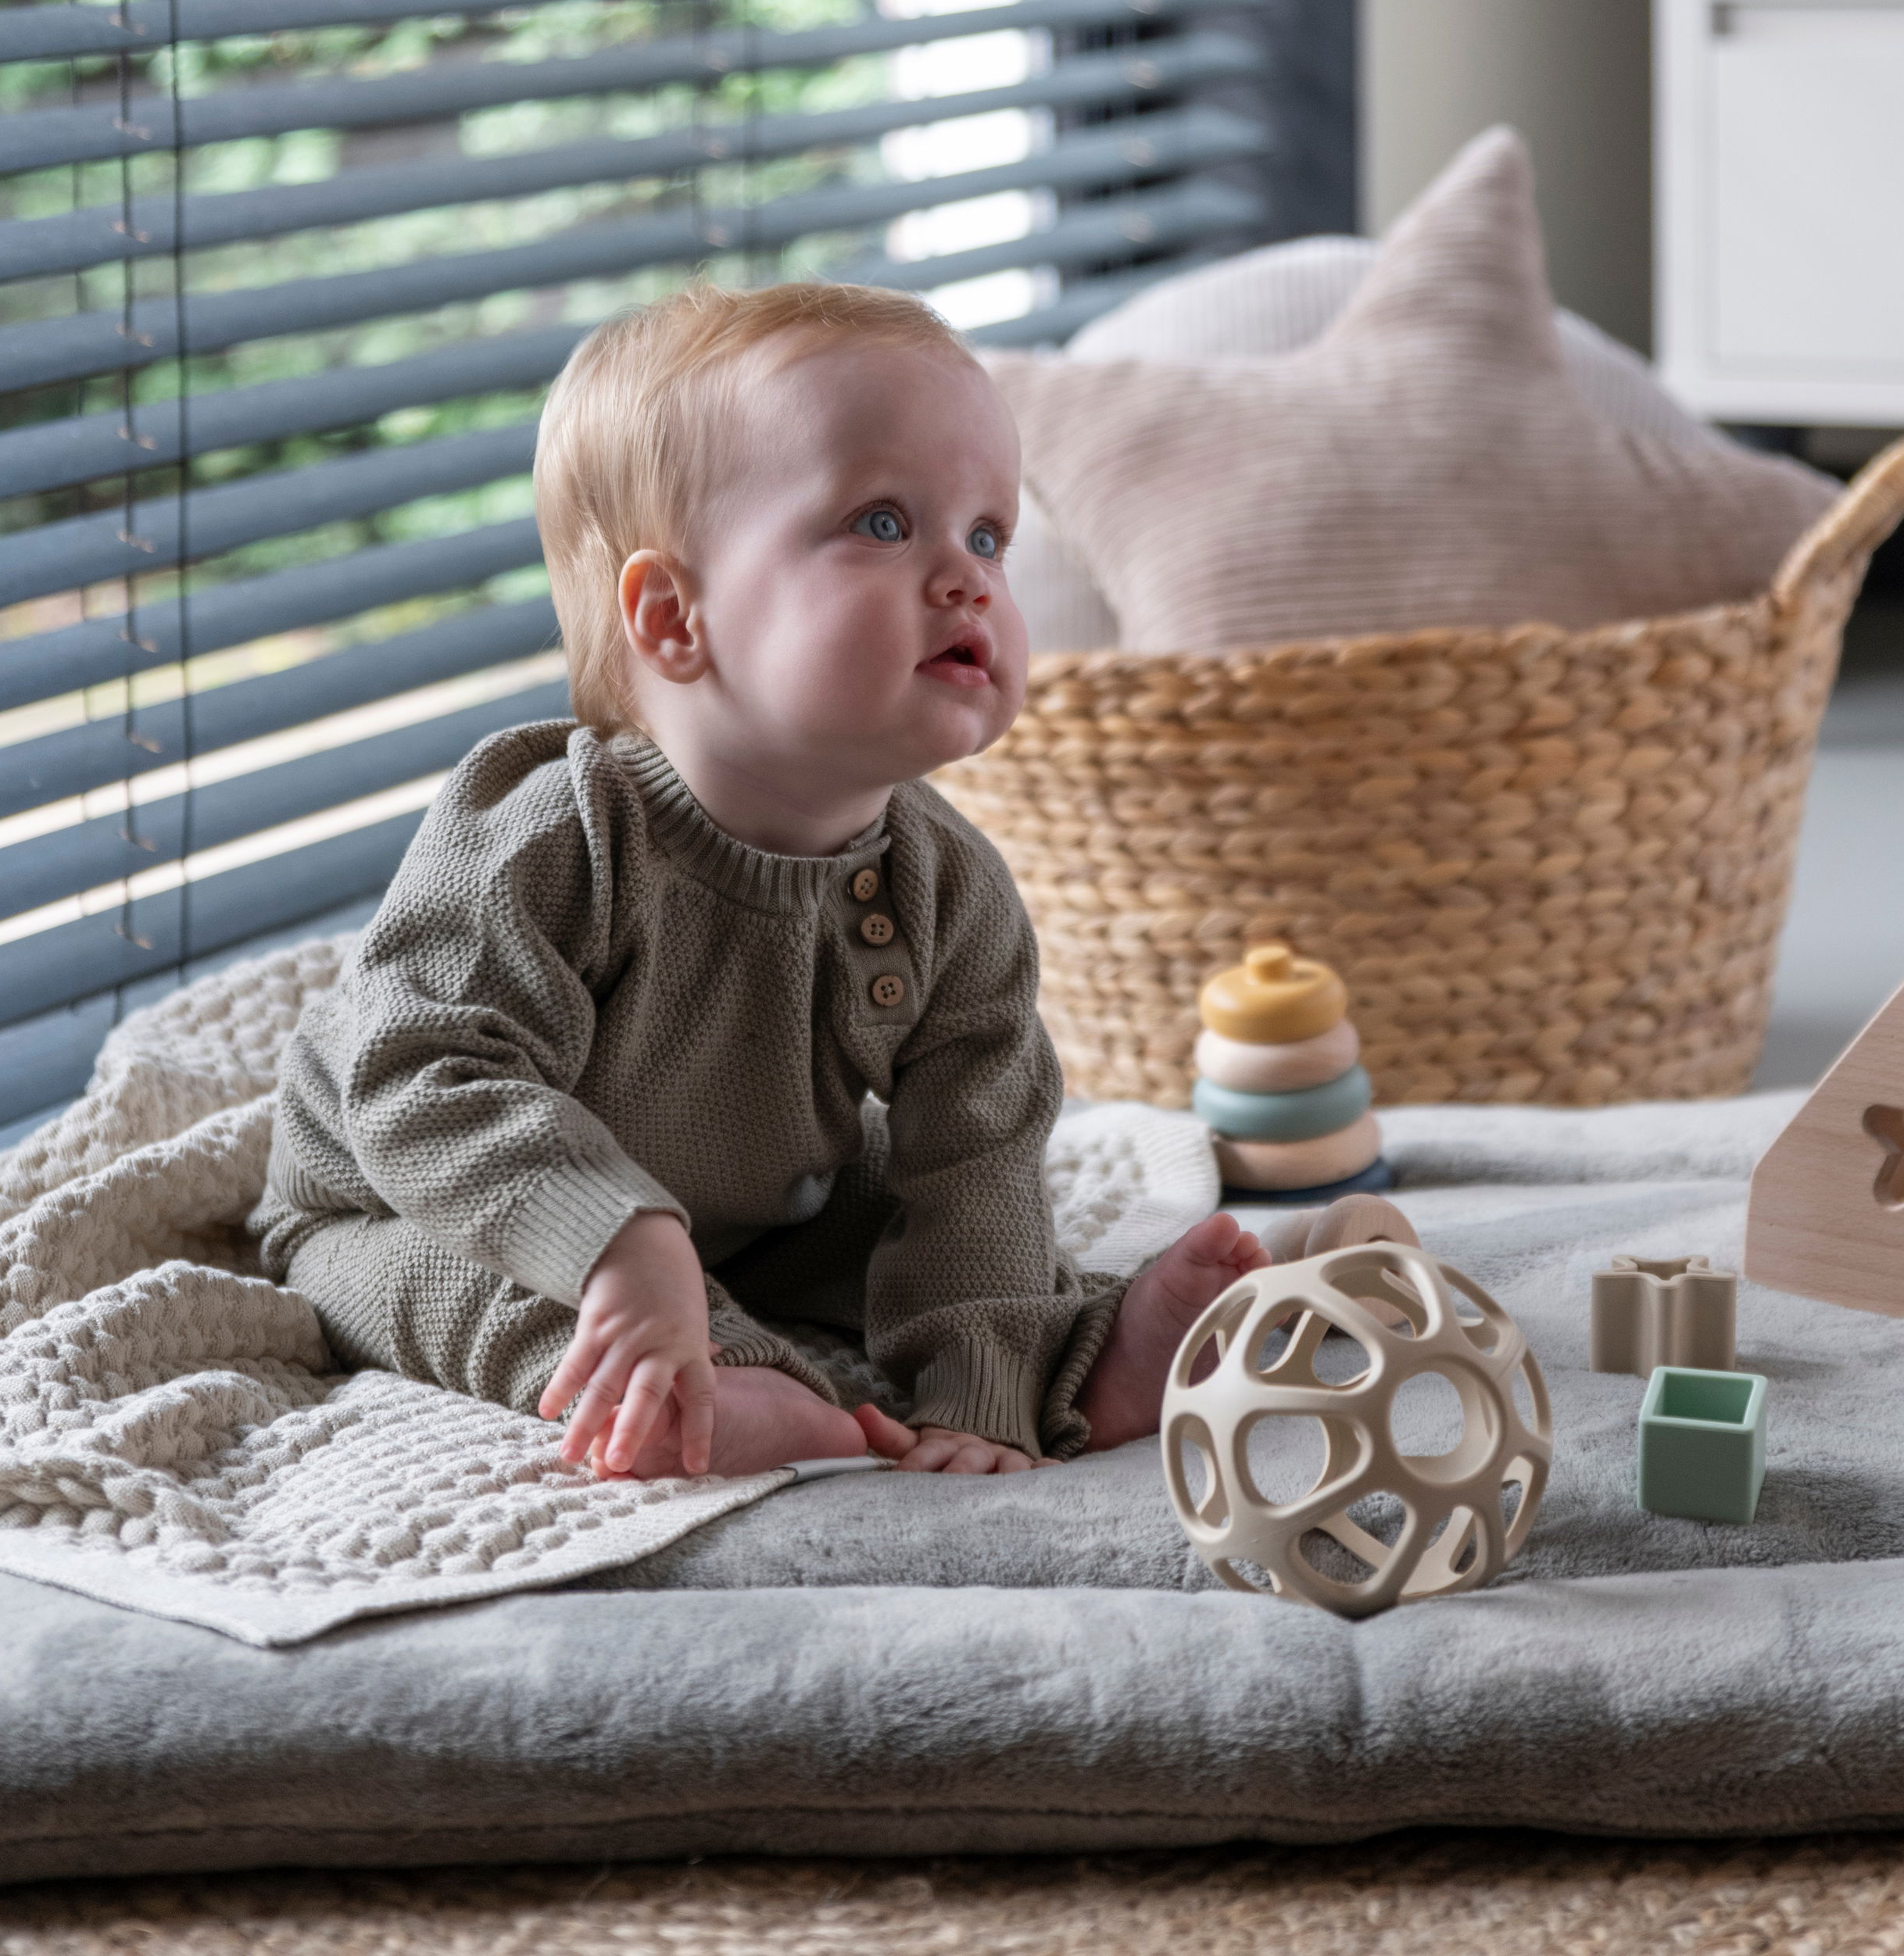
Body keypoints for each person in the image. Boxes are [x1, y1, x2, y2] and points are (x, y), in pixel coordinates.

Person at [247, 281, 1266, 1482]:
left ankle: (1072, 1363)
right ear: (675, 618)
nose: (970, 578)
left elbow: (974, 1159)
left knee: (948, 1221)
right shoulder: (549, 836)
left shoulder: (952, 889)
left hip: (756, 1208)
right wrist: (621, 1241)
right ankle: (693, 1385)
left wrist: (977, 1406)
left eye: (989, 533)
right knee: (444, 1294)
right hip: (420, 1194)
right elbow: (417, 1080)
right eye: (885, 524)